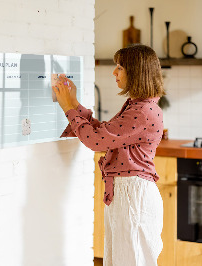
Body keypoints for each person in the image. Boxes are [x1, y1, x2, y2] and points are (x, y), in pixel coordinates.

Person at [53, 44, 165, 266]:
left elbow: (96, 141)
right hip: (128, 193)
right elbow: (104, 133)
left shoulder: (142, 111)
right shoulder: (138, 106)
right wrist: (74, 103)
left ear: (136, 72)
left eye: (120, 67)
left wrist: (68, 108)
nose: (114, 72)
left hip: (133, 195)